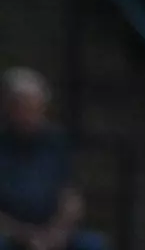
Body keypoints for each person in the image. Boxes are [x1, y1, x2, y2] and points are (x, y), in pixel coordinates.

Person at [0, 69, 101, 250]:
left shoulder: (57, 144)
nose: (27, 115)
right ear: (9, 108)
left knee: (92, 244)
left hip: (55, 232)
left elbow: (72, 198)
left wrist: (56, 234)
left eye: (32, 108)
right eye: (21, 107)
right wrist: (24, 235)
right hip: (11, 233)